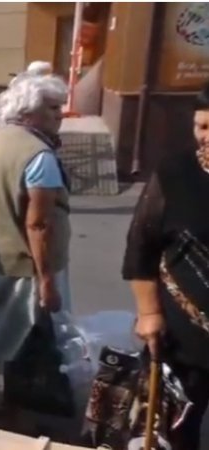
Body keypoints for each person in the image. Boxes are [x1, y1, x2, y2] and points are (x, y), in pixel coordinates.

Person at [0, 74, 72, 424]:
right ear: (29, 111)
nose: (60, 114)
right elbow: (39, 224)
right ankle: (12, 411)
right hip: (27, 265)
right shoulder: (39, 155)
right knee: (22, 342)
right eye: (52, 107)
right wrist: (47, 281)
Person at [122, 83, 209, 450]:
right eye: (202, 126)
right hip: (182, 332)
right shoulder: (174, 173)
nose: (207, 137)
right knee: (176, 429)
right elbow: (141, 245)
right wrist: (148, 313)